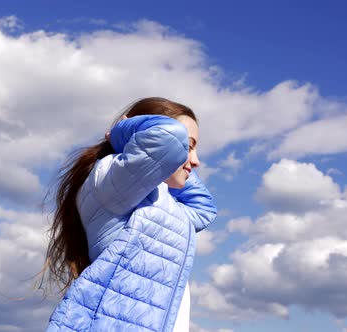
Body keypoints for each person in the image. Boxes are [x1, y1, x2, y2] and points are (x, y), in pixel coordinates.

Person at [42, 97, 217, 331]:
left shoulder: (161, 200)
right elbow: (169, 137)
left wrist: (179, 166)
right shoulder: (112, 179)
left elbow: (204, 208)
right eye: (188, 147)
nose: (195, 161)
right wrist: (123, 134)